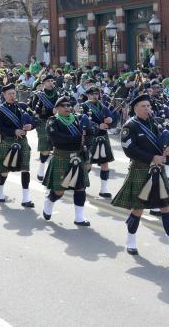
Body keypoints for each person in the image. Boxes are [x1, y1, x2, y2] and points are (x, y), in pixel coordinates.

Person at [111, 94, 169, 257]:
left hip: (158, 171)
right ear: (135, 109)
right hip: (140, 170)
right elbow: (129, 149)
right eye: (144, 106)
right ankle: (130, 241)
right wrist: (151, 158)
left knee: (165, 206)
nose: (148, 109)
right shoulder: (130, 126)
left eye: (149, 106)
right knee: (138, 208)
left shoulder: (158, 122)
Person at [42, 96, 95, 226]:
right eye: (64, 106)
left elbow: (90, 133)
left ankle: (79, 217)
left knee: (80, 188)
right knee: (59, 190)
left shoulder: (77, 119)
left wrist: (89, 130)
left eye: (68, 105)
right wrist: (77, 137)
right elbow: (56, 138)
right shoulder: (53, 121)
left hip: (78, 156)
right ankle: (49, 201)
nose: (67, 108)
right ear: (57, 108)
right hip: (62, 157)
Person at [0, 83, 35, 207]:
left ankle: (26, 198)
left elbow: (35, 119)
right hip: (7, 141)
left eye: (13, 93)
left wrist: (31, 126)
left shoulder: (23, 106)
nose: (12, 96)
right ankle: (0, 189)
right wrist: (14, 131)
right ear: (4, 95)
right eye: (9, 94)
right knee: (5, 168)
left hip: (22, 140)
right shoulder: (0, 110)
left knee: (25, 168)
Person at [82, 86, 115, 198]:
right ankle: (82, 186)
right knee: (88, 163)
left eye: (97, 94)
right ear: (88, 95)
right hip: (91, 137)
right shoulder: (84, 107)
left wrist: (110, 120)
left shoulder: (103, 106)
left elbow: (111, 118)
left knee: (105, 163)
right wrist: (98, 126)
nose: (95, 96)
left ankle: (104, 189)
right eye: (92, 94)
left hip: (103, 136)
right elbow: (82, 121)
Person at [29, 74, 58, 181]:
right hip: (43, 122)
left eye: (52, 81)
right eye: (49, 81)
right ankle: (41, 168)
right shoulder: (38, 95)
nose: (51, 83)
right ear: (44, 83)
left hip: (57, 121)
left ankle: (53, 172)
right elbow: (35, 111)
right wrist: (51, 111)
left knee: (57, 148)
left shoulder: (58, 93)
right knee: (45, 147)